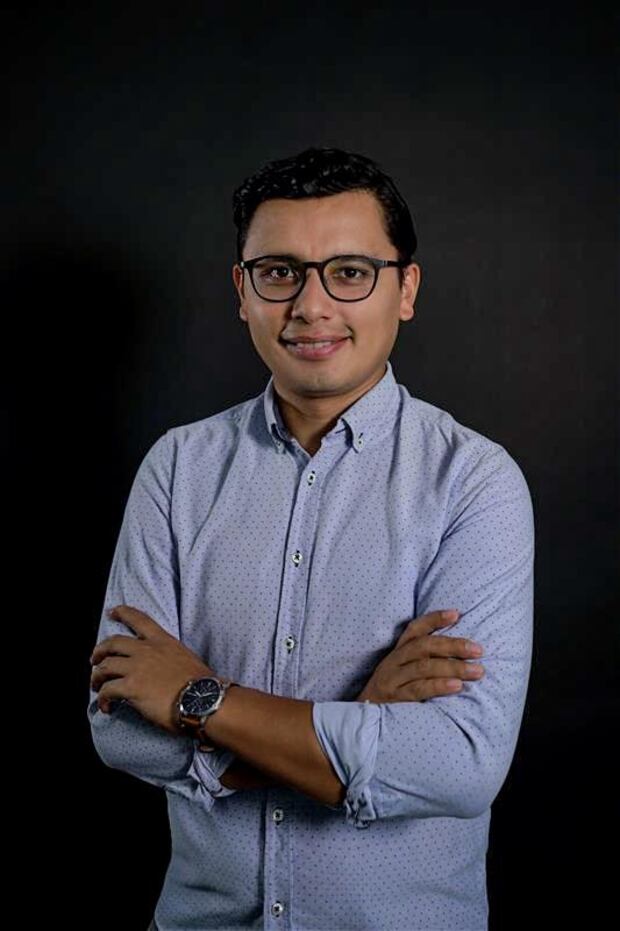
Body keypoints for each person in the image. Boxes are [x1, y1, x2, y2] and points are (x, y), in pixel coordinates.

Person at [87, 146, 535, 931]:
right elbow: (121, 729)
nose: (311, 304)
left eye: (350, 272)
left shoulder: (474, 481)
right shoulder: (177, 469)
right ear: (243, 290)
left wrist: (197, 700)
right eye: (280, 272)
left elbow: (459, 763)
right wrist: (364, 718)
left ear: (406, 290)